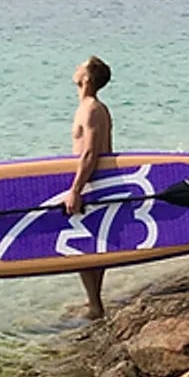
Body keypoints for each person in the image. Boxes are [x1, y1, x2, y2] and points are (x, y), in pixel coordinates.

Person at [64, 54, 114, 320]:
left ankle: (95, 305)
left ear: (87, 78)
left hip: (92, 182)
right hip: (92, 181)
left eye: (79, 66)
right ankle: (94, 301)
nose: (75, 68)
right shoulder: (88, 107)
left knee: (85, 244)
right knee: (91, 242)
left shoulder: (92, 109)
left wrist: (75, 189)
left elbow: (90, 153)